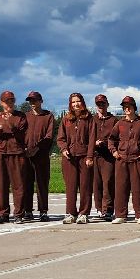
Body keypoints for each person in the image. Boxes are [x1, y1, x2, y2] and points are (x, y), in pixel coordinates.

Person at [108, 95, 140, 223]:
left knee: (138, 188)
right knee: (121, 188)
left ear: (134, 108)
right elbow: (111, 139)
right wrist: (114, 151)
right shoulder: (119, 124)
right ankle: (120, 215)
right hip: (121, 160)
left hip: (137, 160)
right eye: (125, 107)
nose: (127, 109)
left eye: (129, 106)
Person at [57, 93, 96, 224]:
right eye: (73, 102)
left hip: (84, 157)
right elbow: (60, 138)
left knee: (85, 186)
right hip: (69, 158)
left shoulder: (89, 118)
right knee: (71, 187)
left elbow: (92, 139)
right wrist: (63, 149)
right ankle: (70, 213)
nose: (76, 104)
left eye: (78, 101)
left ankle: (84, 213)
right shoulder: (66, 119)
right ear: (70, 104)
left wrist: (90, 156)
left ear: (82, 102)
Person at [0, 90, 29, 224]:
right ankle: (2, 213)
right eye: (7, 101)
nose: (10, 104)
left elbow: (22, 136)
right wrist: (0, 127)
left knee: (18, 185)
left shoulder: (21, 116)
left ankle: (18, 213)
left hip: (16, 152)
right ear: (1, 103)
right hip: (1, 153)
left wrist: (12, 126)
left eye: (12, 101)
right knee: (1, 184)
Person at [23, 91, 54, 222]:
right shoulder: (25, 116)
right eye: (30, 101)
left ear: (41, 101)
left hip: (41, 155)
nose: (32, 103)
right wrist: (24, 148)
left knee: (42, 184)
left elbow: (49, 136)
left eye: (35, 100)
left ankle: (43, 211)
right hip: (26, 155)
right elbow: (20, 133)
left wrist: (37, 148)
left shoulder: (48, 116)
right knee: (26, 183)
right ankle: (28, 210)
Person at [90, 94, 117, 220]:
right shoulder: (92, 119)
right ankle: (99, 208)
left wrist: (106, 143)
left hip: (108, 156)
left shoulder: (113, 120)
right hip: (95, 154)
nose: (101, 106)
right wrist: (94, 143)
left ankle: (108, 209)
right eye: (99, 104)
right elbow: (87, 137)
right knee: (97, 184)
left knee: (108, 182)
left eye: (103, 103)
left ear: (107, 104)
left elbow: (116, 137)